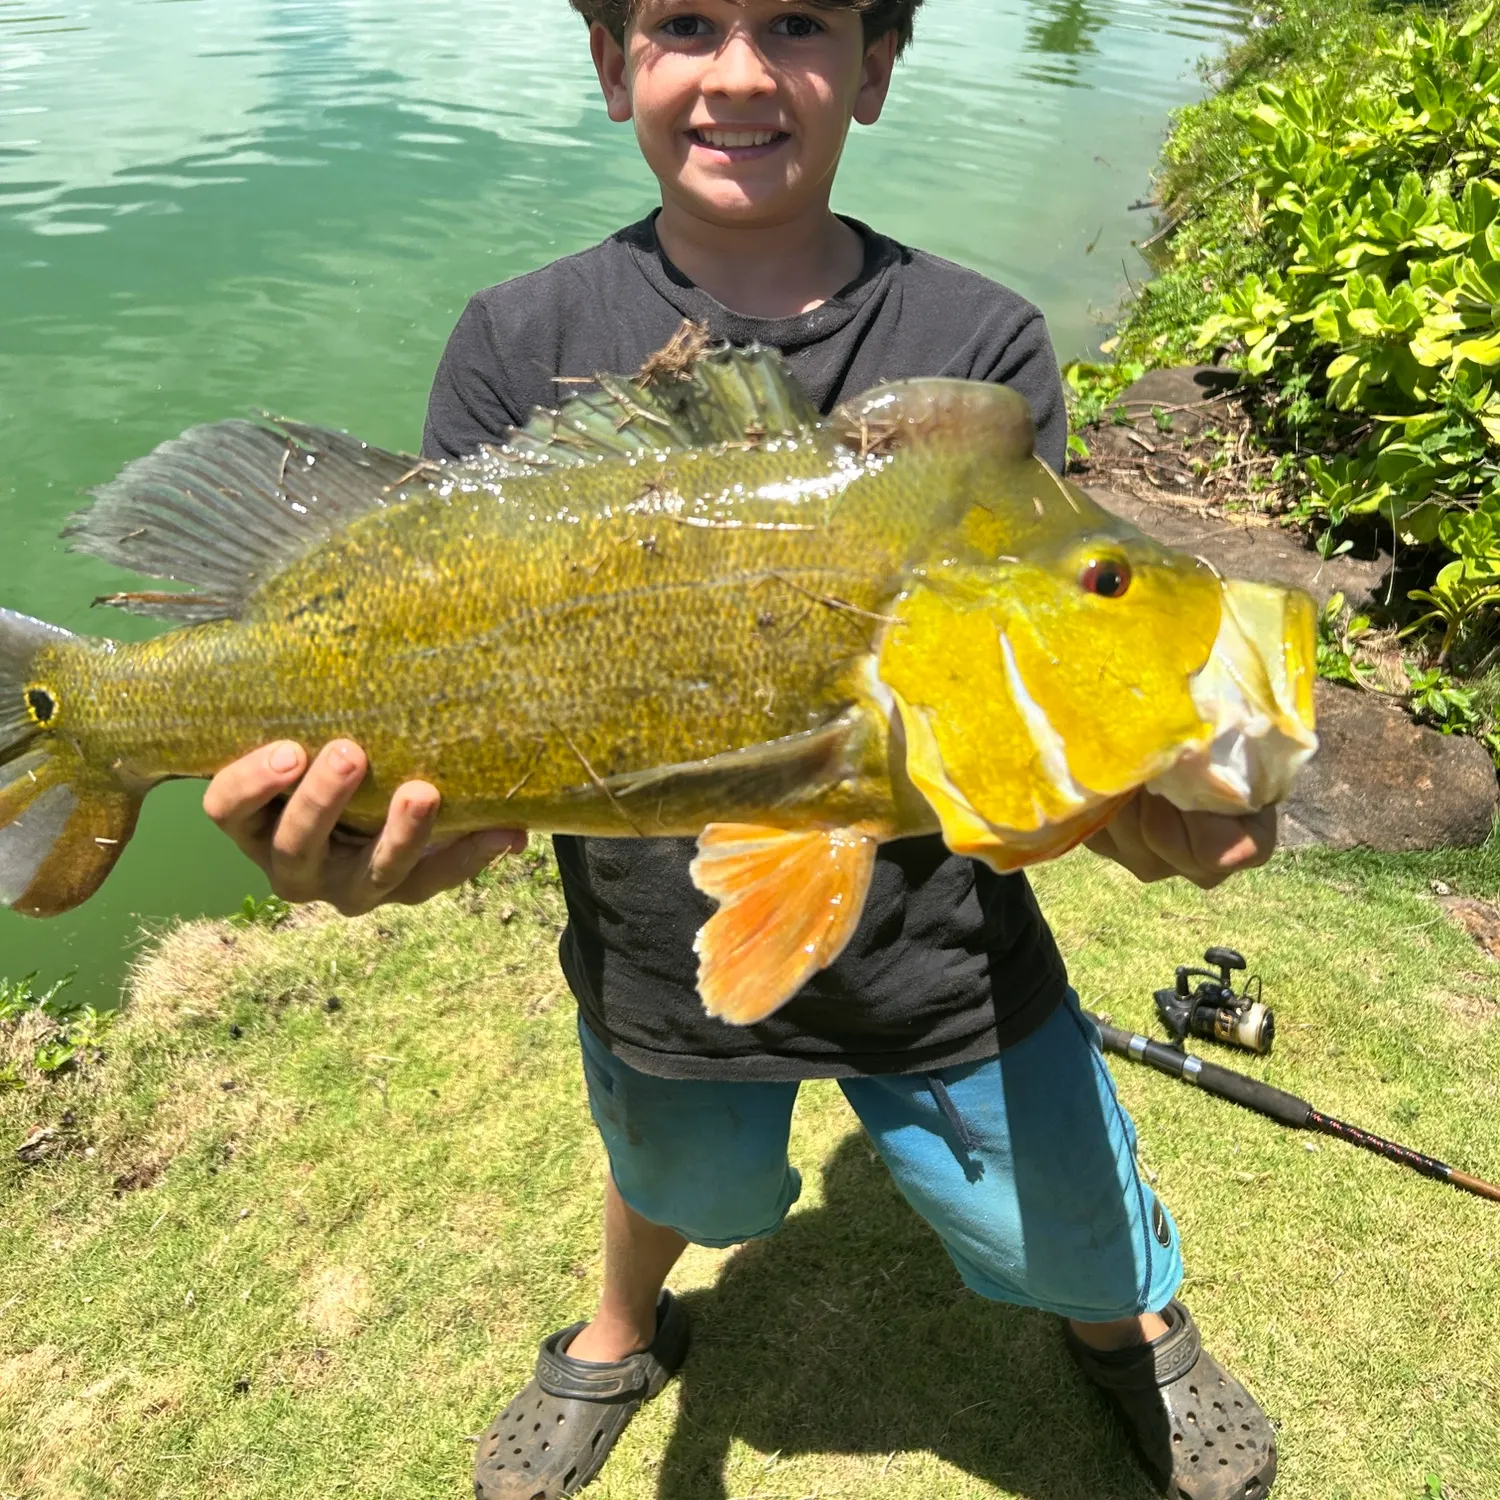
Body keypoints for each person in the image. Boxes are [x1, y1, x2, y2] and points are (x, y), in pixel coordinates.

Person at [202, 3, 1280, 1497]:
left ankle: (1127, 1323)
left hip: (949, 974)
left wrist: (1132, 804)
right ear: (612, 62)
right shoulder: (518, 341)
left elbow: (1004, 691)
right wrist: (357, 851)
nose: (741, 72)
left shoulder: (982, 347)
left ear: (878, 63)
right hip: (656, 972)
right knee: (673, 1176)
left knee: (1068, 1235)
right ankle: (617, 1326)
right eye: (686, 23)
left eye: (798, 22)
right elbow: (444, 684)